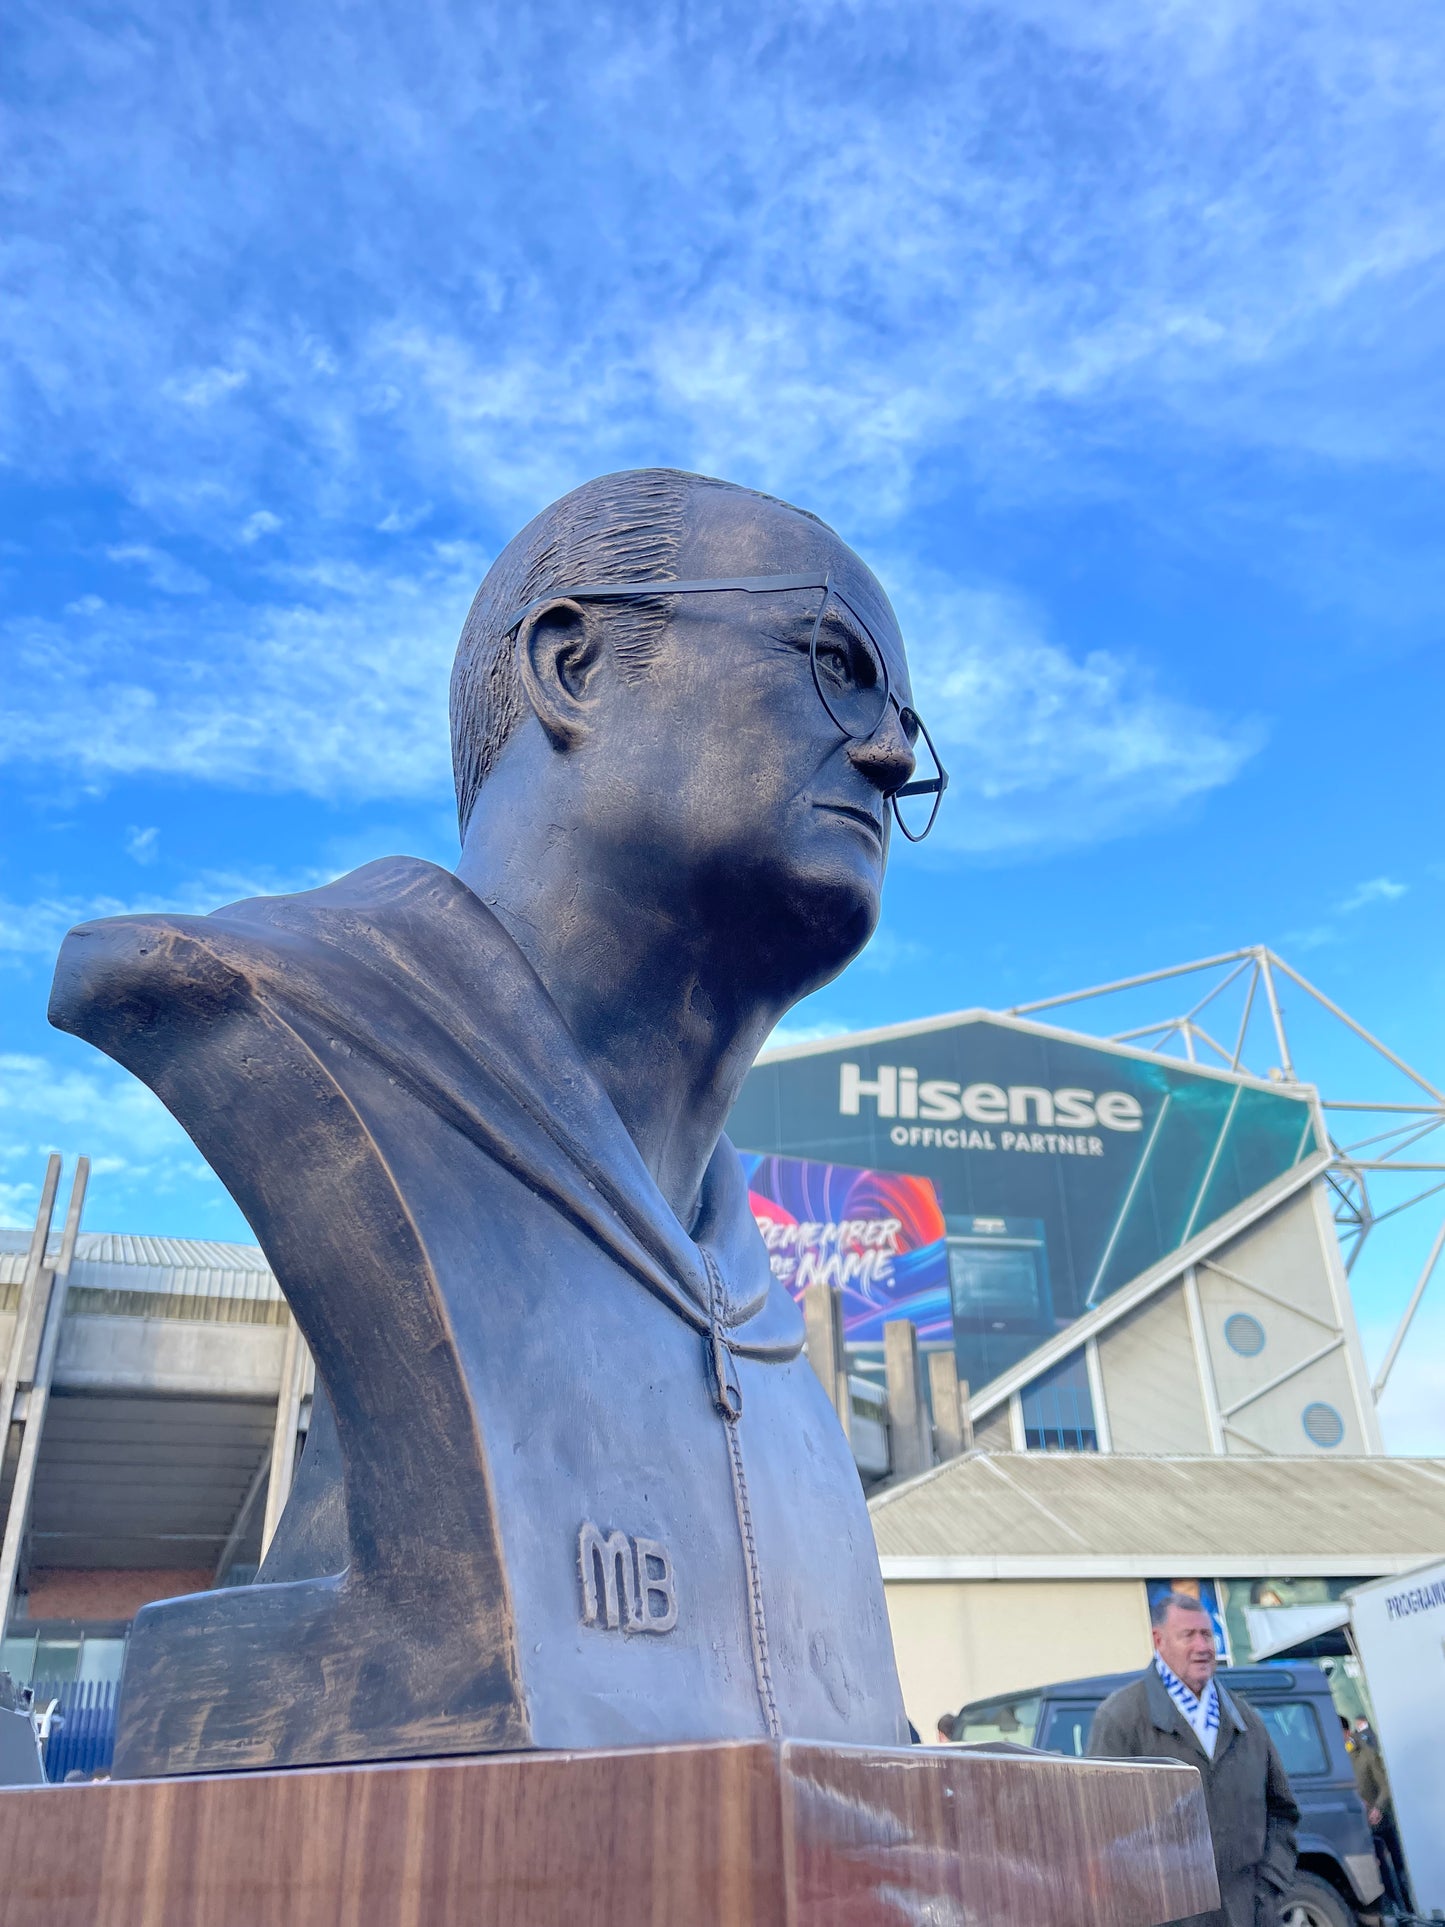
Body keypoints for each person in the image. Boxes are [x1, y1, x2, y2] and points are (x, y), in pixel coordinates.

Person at [52, 469, 941, 1776]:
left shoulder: (775, 1354)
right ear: (572, 664)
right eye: (831, 663)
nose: (888, 748)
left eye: (907, 720)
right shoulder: (275, 1003)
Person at [1087, 1591, 1298, 1927]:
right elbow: (1100, 1829)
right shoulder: (1121, 1719)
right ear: (1159, 1640)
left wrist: (1267, 1888)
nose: (1203, 1647)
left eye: (1207, 1634)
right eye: (1189, 1635)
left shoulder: (1245, 1721)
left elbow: (1282, 1812)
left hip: (1249, 1914)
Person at [1342, 1715, 1411, 1915]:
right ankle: (1395, 1912)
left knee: (1400, 1868)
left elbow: (1385, 1786)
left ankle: (1409, 1907)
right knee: (1379, 1875)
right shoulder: (1335, 1761)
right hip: (1361, 1829)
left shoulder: (1366, 1754)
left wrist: (1378, 1808)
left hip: (1383, 1823)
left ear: (1346, 1733)